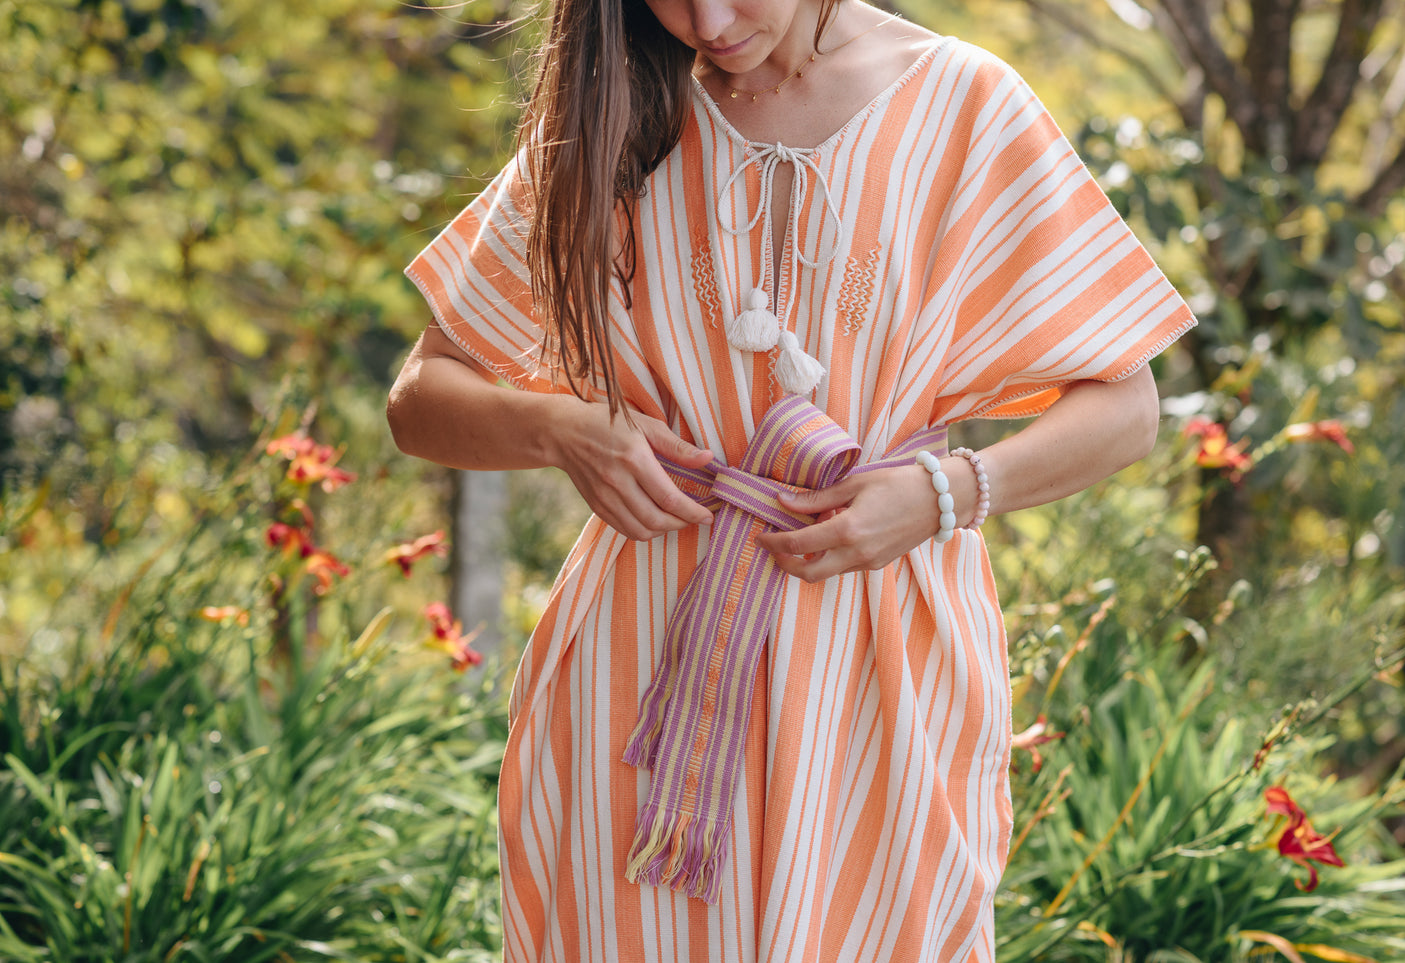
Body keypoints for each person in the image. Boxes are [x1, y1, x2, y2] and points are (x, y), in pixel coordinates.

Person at [387, 0, 1195, 957]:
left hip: (880, 655)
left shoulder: (963, 105)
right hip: (640, 656)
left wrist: (946, 494)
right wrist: (563, 427)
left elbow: (1125, 406)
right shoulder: (614, 110)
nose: (709, 21)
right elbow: (420, 398)